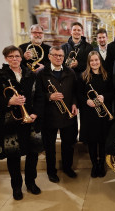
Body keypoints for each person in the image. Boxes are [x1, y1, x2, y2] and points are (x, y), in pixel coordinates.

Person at [0, 45, 41, 200]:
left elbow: (39, 96)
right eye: (11, 57)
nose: (14, 59)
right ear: (6, 58)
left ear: (21, 57)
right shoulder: (0, 75)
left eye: (17, 56)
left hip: (29, 119)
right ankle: (16, 187)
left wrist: (35, 113)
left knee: (33, 154)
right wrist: (9, 101)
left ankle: (31, 182)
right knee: (13, 156)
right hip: (11, 120)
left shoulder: (29, 73)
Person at [35, 46, 78, 182]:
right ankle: (51, 171)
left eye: (61, 55)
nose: (58, 58)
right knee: (50, 147)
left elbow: (76, 91)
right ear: (49, 56)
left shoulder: (70, 72)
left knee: (68, 145)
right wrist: (49, 96)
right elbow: (36, 94)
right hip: (49, 116)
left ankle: (67, 168)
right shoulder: (41, 73)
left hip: (67, 114)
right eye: (55, 55)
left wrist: (74, 103)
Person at [77, 51, 113, 178]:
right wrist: (86, 101)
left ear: (100, 61)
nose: (94, 63)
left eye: (96, 60)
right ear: (88, 62)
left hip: (103, 113)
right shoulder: (83, 76)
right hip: (89, 114)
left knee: (103, 141)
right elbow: (79, 94)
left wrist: (104, 97)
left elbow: (112, 92)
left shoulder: (106, 75)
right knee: (92, 141)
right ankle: (94, 165)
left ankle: (101, 163)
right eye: (91, 60)